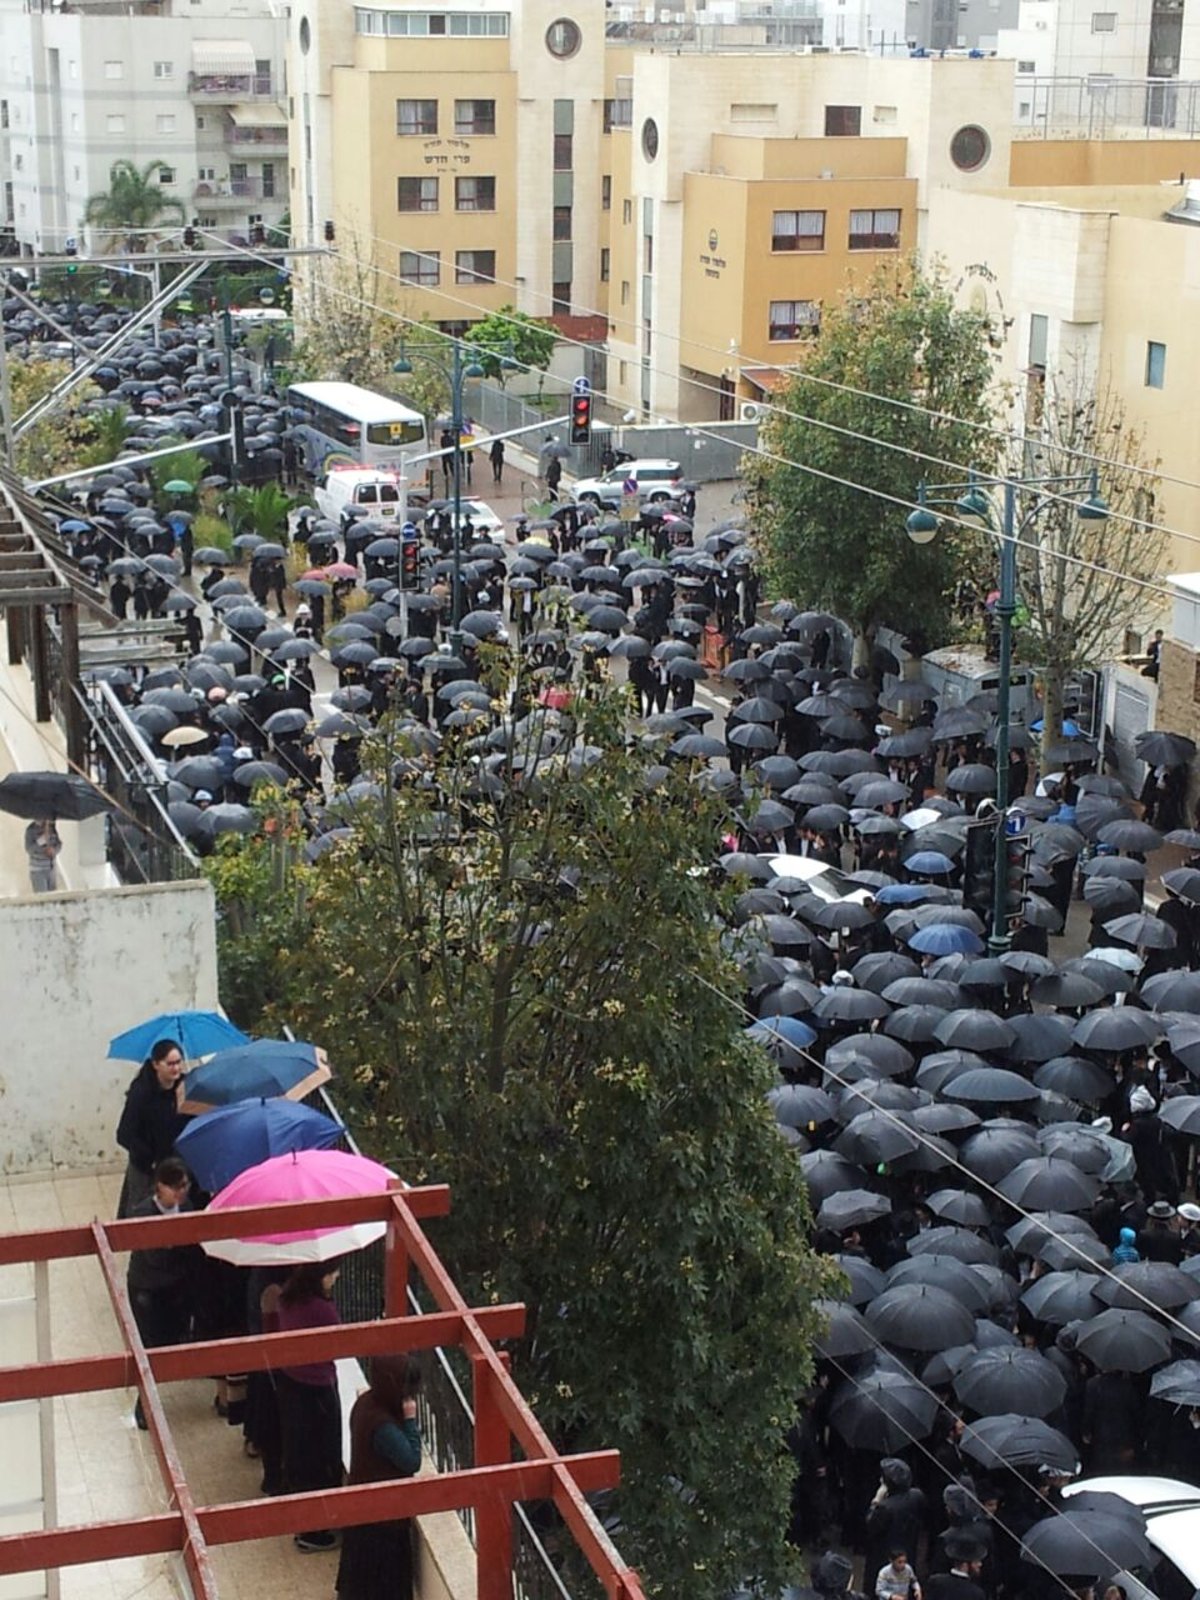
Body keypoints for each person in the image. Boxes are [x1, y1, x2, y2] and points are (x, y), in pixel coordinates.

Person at [335, 1353, 423, 1600]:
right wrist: (410, 1421)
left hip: (363, 1516)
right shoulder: (382, 1424)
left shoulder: (365, 1403)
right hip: (382, 1525)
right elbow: (411, 1461)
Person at [125, 1156, 199, 1429]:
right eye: (175, 1187)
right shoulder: (143, 1214)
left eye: (185, 1186)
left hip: (175, 1287)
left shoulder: (187, 1207)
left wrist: (173, 1245)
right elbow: (154, 1256)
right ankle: (143, 1406)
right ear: (160, 1187)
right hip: (148, 1287)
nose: (181, 1192)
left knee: (171, 1338)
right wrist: (175, 1246)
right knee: (149, 1345)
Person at [276, 1261, 344, 1552]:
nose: (337, 1277)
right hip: (318, 1389)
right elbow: (339, 1343)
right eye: (333, 1272)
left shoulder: (287, 1298)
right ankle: (315, 1531)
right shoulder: (322, 1309)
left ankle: (305, 1522)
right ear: (320, 1276)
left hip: (292, 1383)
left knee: (301, 1453)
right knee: (323, 1457)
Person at [116, 1040, 188, 1217]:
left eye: (179, 1062)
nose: (176, 1068)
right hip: (146, 1168)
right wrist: (149, 1159)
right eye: (170, 1064)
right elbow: (124, 1134)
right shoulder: (141, 1093)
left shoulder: (184, 1087)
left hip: (174, 1164)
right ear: (156, 1064)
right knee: (140, 1213)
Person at [24, 818, 61, 892]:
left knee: (53, 897)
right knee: (43, 897)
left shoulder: (52, 828)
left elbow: (58, 843)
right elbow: (29, 849)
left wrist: (54, 850)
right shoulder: (31, 830)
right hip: (38, 870)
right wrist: (41, 841)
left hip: (51, 868)